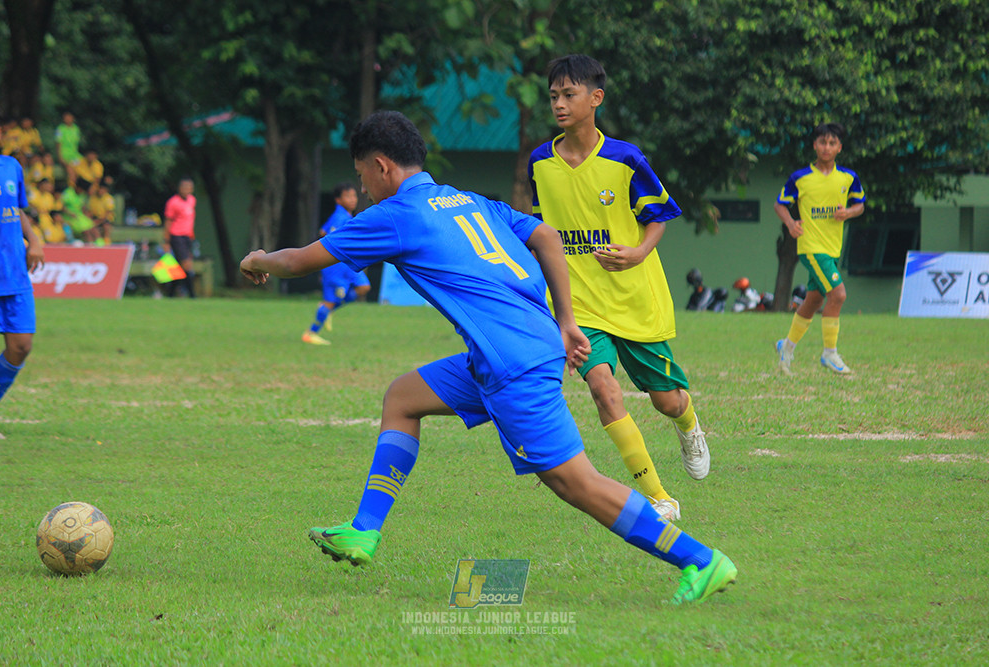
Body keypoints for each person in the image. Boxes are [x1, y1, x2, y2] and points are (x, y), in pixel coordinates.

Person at [239, 111, 737, 604]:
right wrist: (565, 320)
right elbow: (544, 236)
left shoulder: (395, 215)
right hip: (519, 345)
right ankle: (364, 529)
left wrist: (256, 259)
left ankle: (700, 558)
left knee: (576, 482)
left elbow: (298, 261)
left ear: (382, 166)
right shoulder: (470, 201)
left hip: (513, 363)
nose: (364, 188)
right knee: (403, 398)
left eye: (362, 175)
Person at [527, 54, 709, 522]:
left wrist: (638, 252)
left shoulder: (626, 158)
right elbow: (540, 228)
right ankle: (658, 497)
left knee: (667, 401)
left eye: (569, 95)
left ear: (596, 98)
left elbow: (659, 216)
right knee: (604, 392)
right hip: (580, 306)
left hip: (634, 301)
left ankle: (688, 426)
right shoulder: (540, 163)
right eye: (553, 97)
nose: (559, 105)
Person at [774, 122, 866, 375]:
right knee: (838, 295)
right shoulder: (800, 178)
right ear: (815, 145)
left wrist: (849, 212)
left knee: (814, 300)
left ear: (839, 147)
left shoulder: (848, 177)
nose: (827, 147)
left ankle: (787, 346)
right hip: (811, 247)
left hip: (832, 248)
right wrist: (791, 223)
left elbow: (860, 204)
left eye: (832, 143)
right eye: (822, 142)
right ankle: (829, 354)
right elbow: (780, 205)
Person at [0, 99, 45, 439]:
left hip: (13, 274)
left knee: (21, 345)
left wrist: (34, 240)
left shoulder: (11, 167)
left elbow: (18, 210)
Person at [301, 182, 369, 345]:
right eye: (348, 196)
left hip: (347, 264)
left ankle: (327, 309)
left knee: (363, 288)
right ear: (338, 200)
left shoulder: (343, 215)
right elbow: (329, 238)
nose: (353, 199)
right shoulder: (340, 217)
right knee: (332, 299)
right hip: (337, 267)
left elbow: (322, 231)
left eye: (354, 195)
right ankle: (310, 333)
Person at [163, 177, 198, 298]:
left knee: (180, 267)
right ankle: (193, 295)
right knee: (187, 265)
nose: (186, 189)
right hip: (177, 236)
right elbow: (168, 221)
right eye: (184, 187)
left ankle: (170, 295)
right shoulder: (173, 202)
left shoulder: (192, 200)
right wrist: (166, 241)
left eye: (189, 187)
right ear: (179, 188)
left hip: (187, 237)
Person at [54, 111, 83, 184]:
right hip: (65, 155)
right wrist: (60, 157)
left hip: (74, 155)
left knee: (82, 168)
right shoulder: (60, 129)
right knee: (71, 172)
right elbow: (58, 143)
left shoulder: (76, 129)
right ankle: (72, 187)